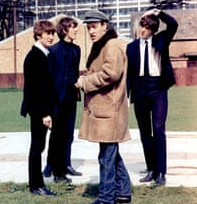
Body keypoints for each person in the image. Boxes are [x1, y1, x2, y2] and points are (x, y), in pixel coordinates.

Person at [75, 10, 132, 204]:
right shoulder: (106, 45)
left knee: (106, 158)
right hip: (106, 109)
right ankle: (123, 193)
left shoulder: (111, 45)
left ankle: (106, 198)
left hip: (109, 109)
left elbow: (111, 74)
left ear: (104, 26)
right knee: (111, 155)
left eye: (94, 26)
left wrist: (85, 81)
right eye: (88, 27)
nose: (91, 31)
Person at [126, 9, 178, 186]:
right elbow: (129, 74)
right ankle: (151, 169)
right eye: (141, 25)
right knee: (144, 132)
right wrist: (127, 96)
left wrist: (159, 12)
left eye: (146, 27)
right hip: (140, 90)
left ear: (153, 29)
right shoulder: (131, 47)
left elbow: (173, 24)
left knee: (159, 129)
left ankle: (161, 172)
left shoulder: (161, 39)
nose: (142, 29)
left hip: (158, 89)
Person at [43, 16, 82, 182]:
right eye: (73, 27)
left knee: (68, 134)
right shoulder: (53, 50)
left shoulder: (77, 49)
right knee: (56, 134)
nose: (76, 30)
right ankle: (50, 165)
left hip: (71, 97)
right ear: (64, 29)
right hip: (57, 98)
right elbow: (50, 78)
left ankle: (66, 164)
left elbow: (74, 71)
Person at [20, 20, 57, 196]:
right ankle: (36, 185)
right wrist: (44, 113)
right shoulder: (35, 57)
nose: (51, 37)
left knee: (39, 146)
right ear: (38, 35)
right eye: (47, 33)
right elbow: (35, 90)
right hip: (38, 110)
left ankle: (36, 183)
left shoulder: (44, 54)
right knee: (37, 147)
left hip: (43, 108)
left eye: (52, 34)